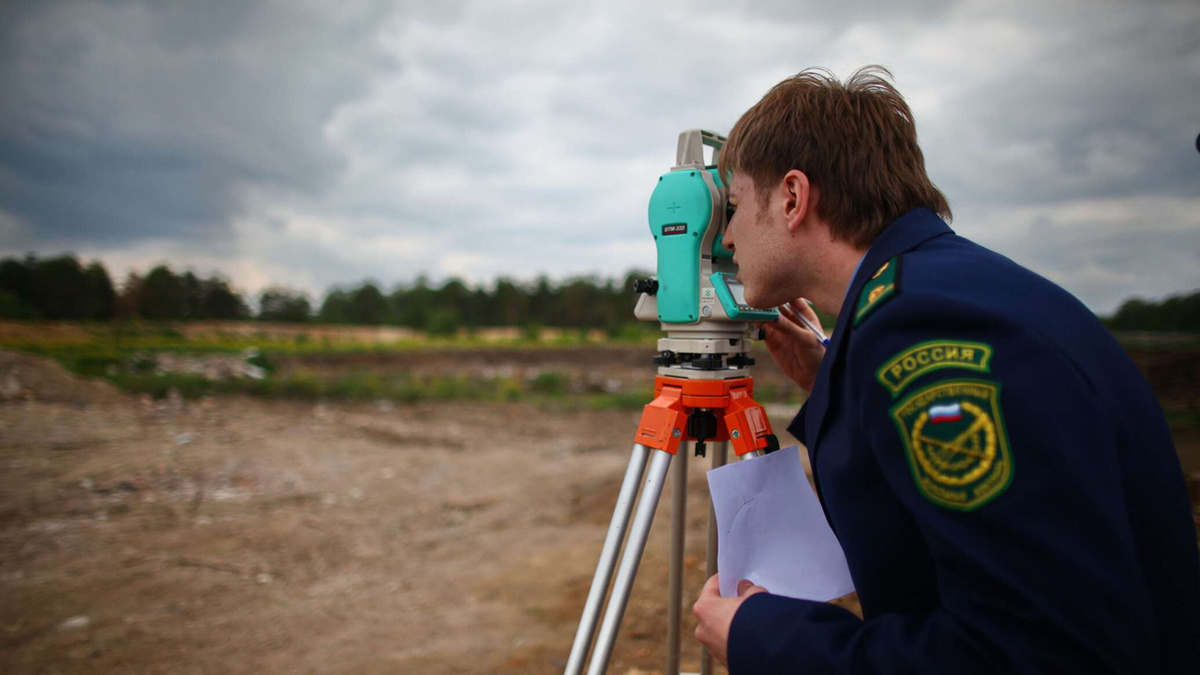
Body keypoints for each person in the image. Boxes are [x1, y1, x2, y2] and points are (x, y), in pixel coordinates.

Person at [691, 66, 1200, 673]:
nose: (727, 234)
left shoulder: (926, 334)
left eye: (737, 205)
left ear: (793, 198)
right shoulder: (946, 292)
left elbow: (1031, 652)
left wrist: (765, 636)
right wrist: (843, 379)